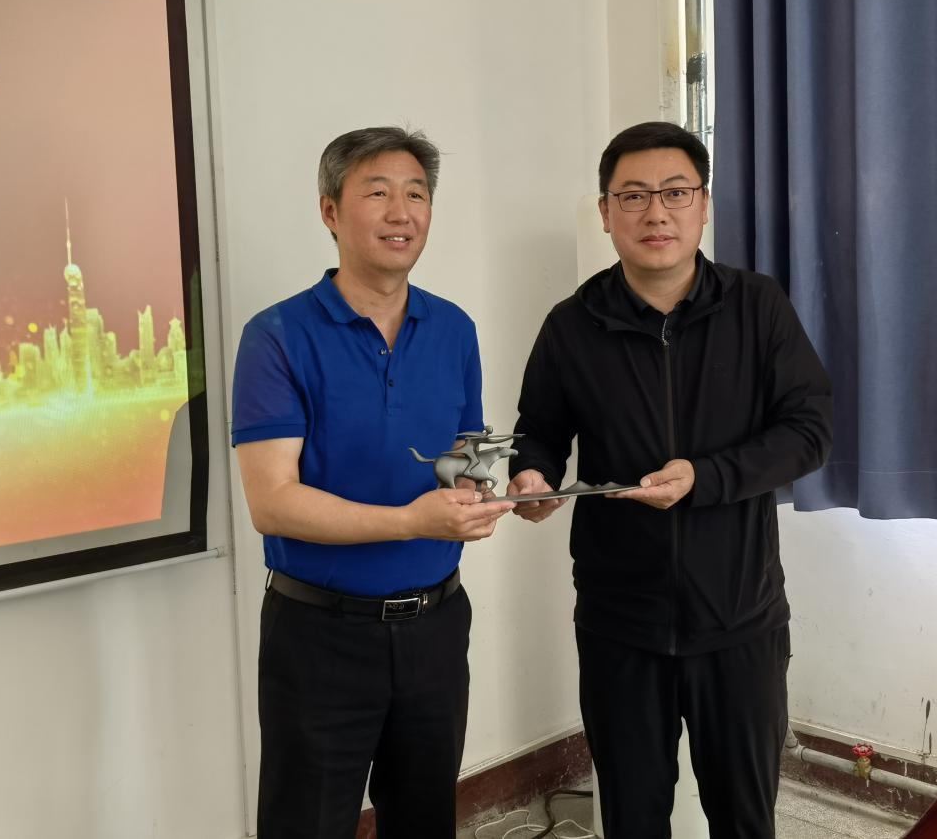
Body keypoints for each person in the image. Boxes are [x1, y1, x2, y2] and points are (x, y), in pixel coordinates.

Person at [506, 121, 833, 838]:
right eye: (633, 196)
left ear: (704, 205)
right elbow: (540, 431)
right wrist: (532, 476)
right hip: (620, 623)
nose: (656, 212)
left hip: (739, 620)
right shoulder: (572, 325)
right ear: (605, 212)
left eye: (675, 192)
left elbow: (809, 431)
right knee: (632, 818)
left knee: (744, 819)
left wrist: (705, 476)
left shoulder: (757, 307)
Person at [232, 126, 510, 839]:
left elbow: (465, 455)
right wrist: (412, 521)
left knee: (424, 821)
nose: (401, 212)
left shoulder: (454, 328)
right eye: (378, 192)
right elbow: (272, 502)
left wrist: (487, 493)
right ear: (330, 211)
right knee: (306, 824)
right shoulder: (277, 335)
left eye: (416, 194)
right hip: (319, 634)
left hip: (437, 626)